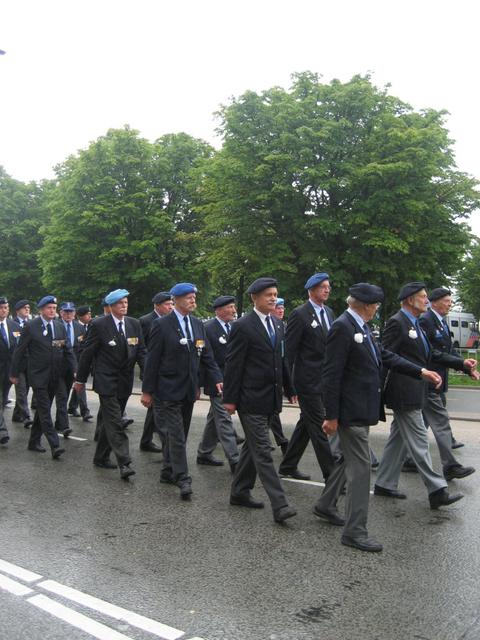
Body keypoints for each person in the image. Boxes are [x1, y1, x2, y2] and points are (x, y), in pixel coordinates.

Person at [314, 283, 442, 552]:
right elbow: (331, 374)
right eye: (375, 305)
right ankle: (355, 531)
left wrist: (420, 371)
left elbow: (384, 355)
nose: (376, 309)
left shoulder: (361, 326)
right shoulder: (343, 327)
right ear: (364, 305)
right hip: (350, 413)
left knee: (348, 461)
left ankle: (326, 504)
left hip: (362, 409)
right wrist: (331, 415)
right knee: (361, 471)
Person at [374, 282, 478, 509]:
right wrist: (378, 391)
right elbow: (385, 355)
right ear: (410, 300)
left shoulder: (415, 324)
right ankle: (437, 490)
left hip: (415, 389)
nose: (426, 300)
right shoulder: (397, 322)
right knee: (420, 440)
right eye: (422, 297)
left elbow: (432, 353)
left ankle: (383, 483)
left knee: (398, 439)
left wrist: (462, 363)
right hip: (402, 391)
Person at [223, 277, 297, 524]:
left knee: (252, 448)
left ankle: (239, 491)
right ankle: (281, 504)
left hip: (270, 397)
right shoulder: (243, 326)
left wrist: (290, 387)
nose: (274, 298)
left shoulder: (277, 325)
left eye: (275, 294)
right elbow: (234, 365)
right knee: (263, 450)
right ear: (255, 298)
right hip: (250, 399)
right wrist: (230, 400)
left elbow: (281, 360)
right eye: (268, 295)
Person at [141, 283, 222, 500]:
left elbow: (206, 356)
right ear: (175, 300)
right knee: (175, 435)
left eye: (194, 297)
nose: (193, 301)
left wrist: (216, 380)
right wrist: (147, 391)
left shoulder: (197, 324)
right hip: (166, 389)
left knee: (181, 434)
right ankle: (183, 478)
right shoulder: (162, 325)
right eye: (188, 297)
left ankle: (168, 470)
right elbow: (152, 360)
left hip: (188, 390)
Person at [74, 289, 145, 479]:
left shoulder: (134, 324)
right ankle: (125, 462)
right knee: (116, 420)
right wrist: (80, 380)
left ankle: (100, 457)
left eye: (126, 302)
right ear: (111, 306)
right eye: (121, 303)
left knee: (109, 421)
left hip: (125, 381)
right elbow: (87, 354)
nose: (125, 306)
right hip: (106, 381)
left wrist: (148, 378)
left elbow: (141, 352)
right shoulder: (99, 325)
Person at [279, 272, 336, 482]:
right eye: (323, 287)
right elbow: (289, 352)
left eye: (328, 287)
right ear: (311, 290)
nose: (327, 290)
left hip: (325, 380)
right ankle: (331, 476)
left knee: (307, 423)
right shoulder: (300, 314)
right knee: (320, 426)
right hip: (307, 381)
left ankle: (288, 464)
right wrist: (289, 384)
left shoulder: (329, 313)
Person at [418, 287, 475, 480]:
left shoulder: (441, 322)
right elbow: (432, 353)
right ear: (434, 302)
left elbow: (449, 350)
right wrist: (460, 362)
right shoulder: (426, 320)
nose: (450, 304)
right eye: (447, 300)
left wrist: (466, 366)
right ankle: (450, 466)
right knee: (441, 422)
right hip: (429, 381)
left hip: (437, 382)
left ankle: (406, 460)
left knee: (411, 427)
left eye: (451, 301)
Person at [10, 295, 75, 459]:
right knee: (45, 410)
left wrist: (75, 370)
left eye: (54, 308)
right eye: (49, 308)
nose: (52, 311)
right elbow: (19, 351)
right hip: (38, 377)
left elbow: (67, 350)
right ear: (41, 310)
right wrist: (14, 373)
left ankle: (33, 441)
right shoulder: (31, 326)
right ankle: (55, 445)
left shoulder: (60, 327)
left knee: (41, 410)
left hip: (55, 376)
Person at [196, 295, 240, 472]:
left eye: (233, 307)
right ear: (219, 310)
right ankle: (235, 460)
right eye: (230, 307)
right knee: (224, 419)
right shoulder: (208, 328)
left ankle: (204, 452)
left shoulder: (233, 328)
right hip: (217, 382)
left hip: (231, 380)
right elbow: (206, 359)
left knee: (214, 418)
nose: (234, 310)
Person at [138, 291, 174, 452]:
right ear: (157, 306)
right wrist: (146, 370)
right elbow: (143, 348)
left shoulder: (170, 321)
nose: (171, 307)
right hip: (151, 371)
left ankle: (146, 440)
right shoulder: (146, 321)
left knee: (154, 408)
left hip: (164, 371)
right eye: (168, 305)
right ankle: (166, 444)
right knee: (157, 409)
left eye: (172, 304)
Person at [53, 301, 80, 437]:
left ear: (75, 313)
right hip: (57, 369)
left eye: (71, 312)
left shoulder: (79, 328)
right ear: (61, 313)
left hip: (72, 369)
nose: (68, 314)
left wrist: (78, 368)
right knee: (62, 397)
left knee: (65, 395)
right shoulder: (56, 326)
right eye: (66, 312)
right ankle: (64, 426)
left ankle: (59, 423)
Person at [268, 297, 290, 454]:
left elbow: (283, 355)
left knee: (271, 412)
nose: (281, 311)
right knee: (271, 412)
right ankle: (281, 440)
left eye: (282, 308)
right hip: (267, 377)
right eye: (278, 308)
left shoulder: (281, 326)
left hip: (279, 374)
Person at [67, 305, 93, 422]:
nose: (90, 316)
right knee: (80, 384)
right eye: (87, 314)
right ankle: (85, 411)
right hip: (68, 361)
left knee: (78, 384)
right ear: (80, 316)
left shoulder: (83, 328)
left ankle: (72, 406)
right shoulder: (74, 326)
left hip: (80, 361)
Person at [0, 297, 20, 445]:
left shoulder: (14, 325)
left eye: (6, 307)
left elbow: (18, 349)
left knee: (2, 400)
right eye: (1, 307)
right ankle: (2, 431)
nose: (4, 310)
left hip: (9, 371)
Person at [11, 299, 33, 427]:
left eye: (28, 307)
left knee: (25, 390)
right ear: (18, 310)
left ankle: (16, 414)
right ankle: (26, 416)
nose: (27, 309)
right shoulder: (12, 324)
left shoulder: (30, 324)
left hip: (29, 364)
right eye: (24, 307)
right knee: (21, 391)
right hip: (17, 364)